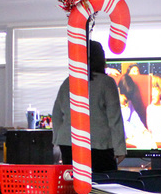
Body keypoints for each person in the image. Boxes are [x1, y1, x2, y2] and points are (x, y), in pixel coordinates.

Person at [51, 40, 126, 173]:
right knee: (103, 185)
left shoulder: (69, 81)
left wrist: (58, 139)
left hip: (69, 143)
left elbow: (56, 114)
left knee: (76, 185)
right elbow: (114, 118)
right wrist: (120, 149)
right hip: (99, 144)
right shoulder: (107, 83)